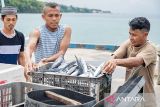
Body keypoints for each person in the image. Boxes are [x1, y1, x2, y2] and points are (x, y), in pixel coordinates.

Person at [103, 17, 157, 107]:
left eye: (134, 35)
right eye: (130, 34)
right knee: (106, 103)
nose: (131, 38)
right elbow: (117, 54)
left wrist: (116, 62)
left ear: (145, 34)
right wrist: (111, 60)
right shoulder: (129, 43)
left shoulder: (150, 49)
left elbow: (137, 61)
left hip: (145, 100)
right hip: (129, 96)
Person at [25, 2, 71, 71]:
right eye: (50, 15)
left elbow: (62, 52)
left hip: (59, 68)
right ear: (43, 17)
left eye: (56, 15)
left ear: (60, 16)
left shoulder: (66, 30)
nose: (54, 19)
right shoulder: (37, 32)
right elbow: (29, 48)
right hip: (41, 68)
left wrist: (47, 60)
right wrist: (28, 62)